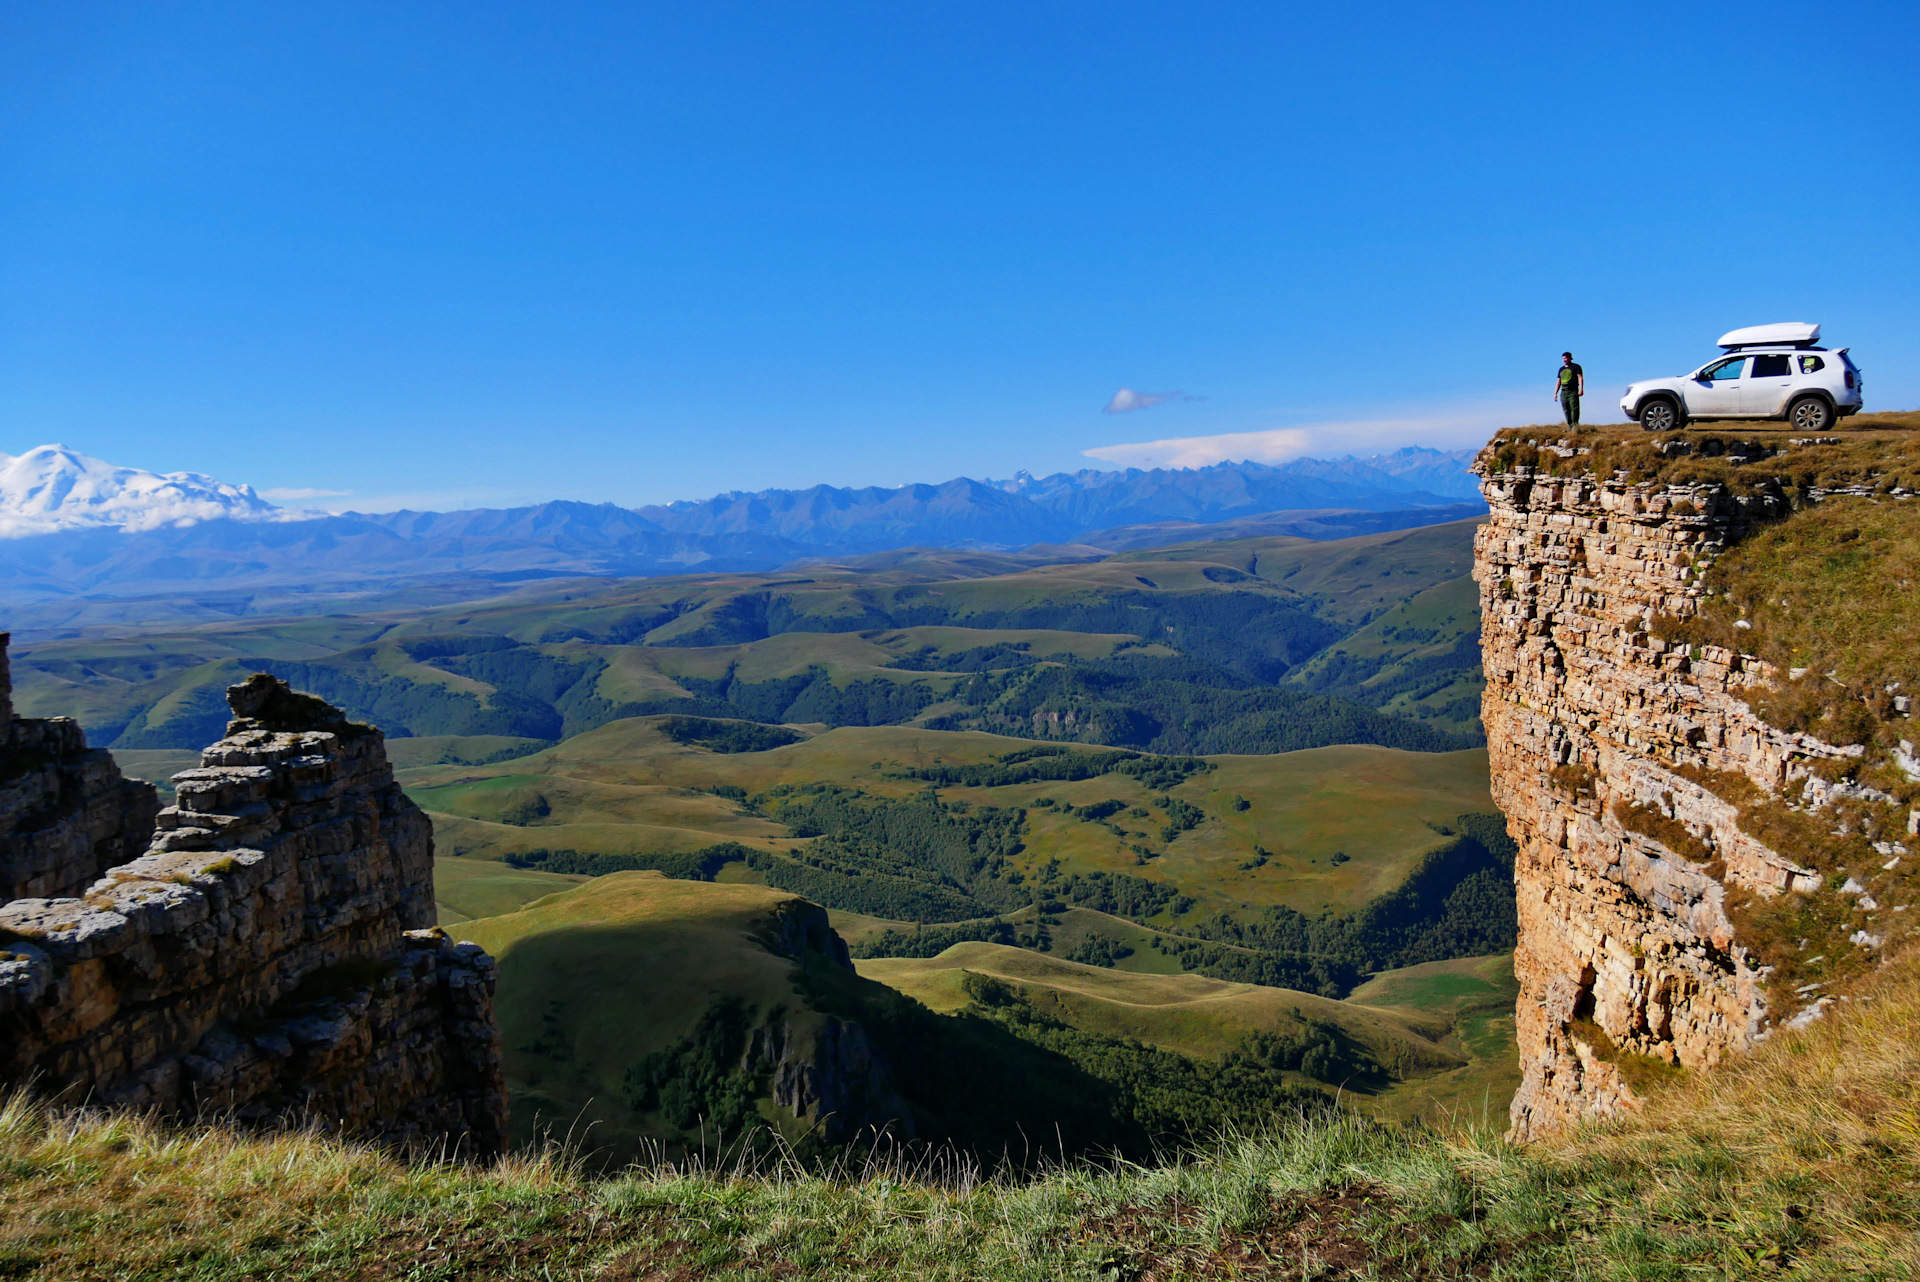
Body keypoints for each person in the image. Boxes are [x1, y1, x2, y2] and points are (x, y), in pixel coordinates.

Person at [1552, 352, 1585, 427]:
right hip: (1563, 391)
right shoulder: (1561, 369)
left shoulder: (1576, 367)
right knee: (1566, 409)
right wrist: (1555, 393)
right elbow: (1558, 382)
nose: (1564, 360)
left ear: (1570, 358)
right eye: (1563, 358)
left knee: (1574, 409)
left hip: (1573, 390)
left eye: (1566, 358)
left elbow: (1580, 378)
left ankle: (1575, 425)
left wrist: (1581, 389)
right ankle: (1570, 425)